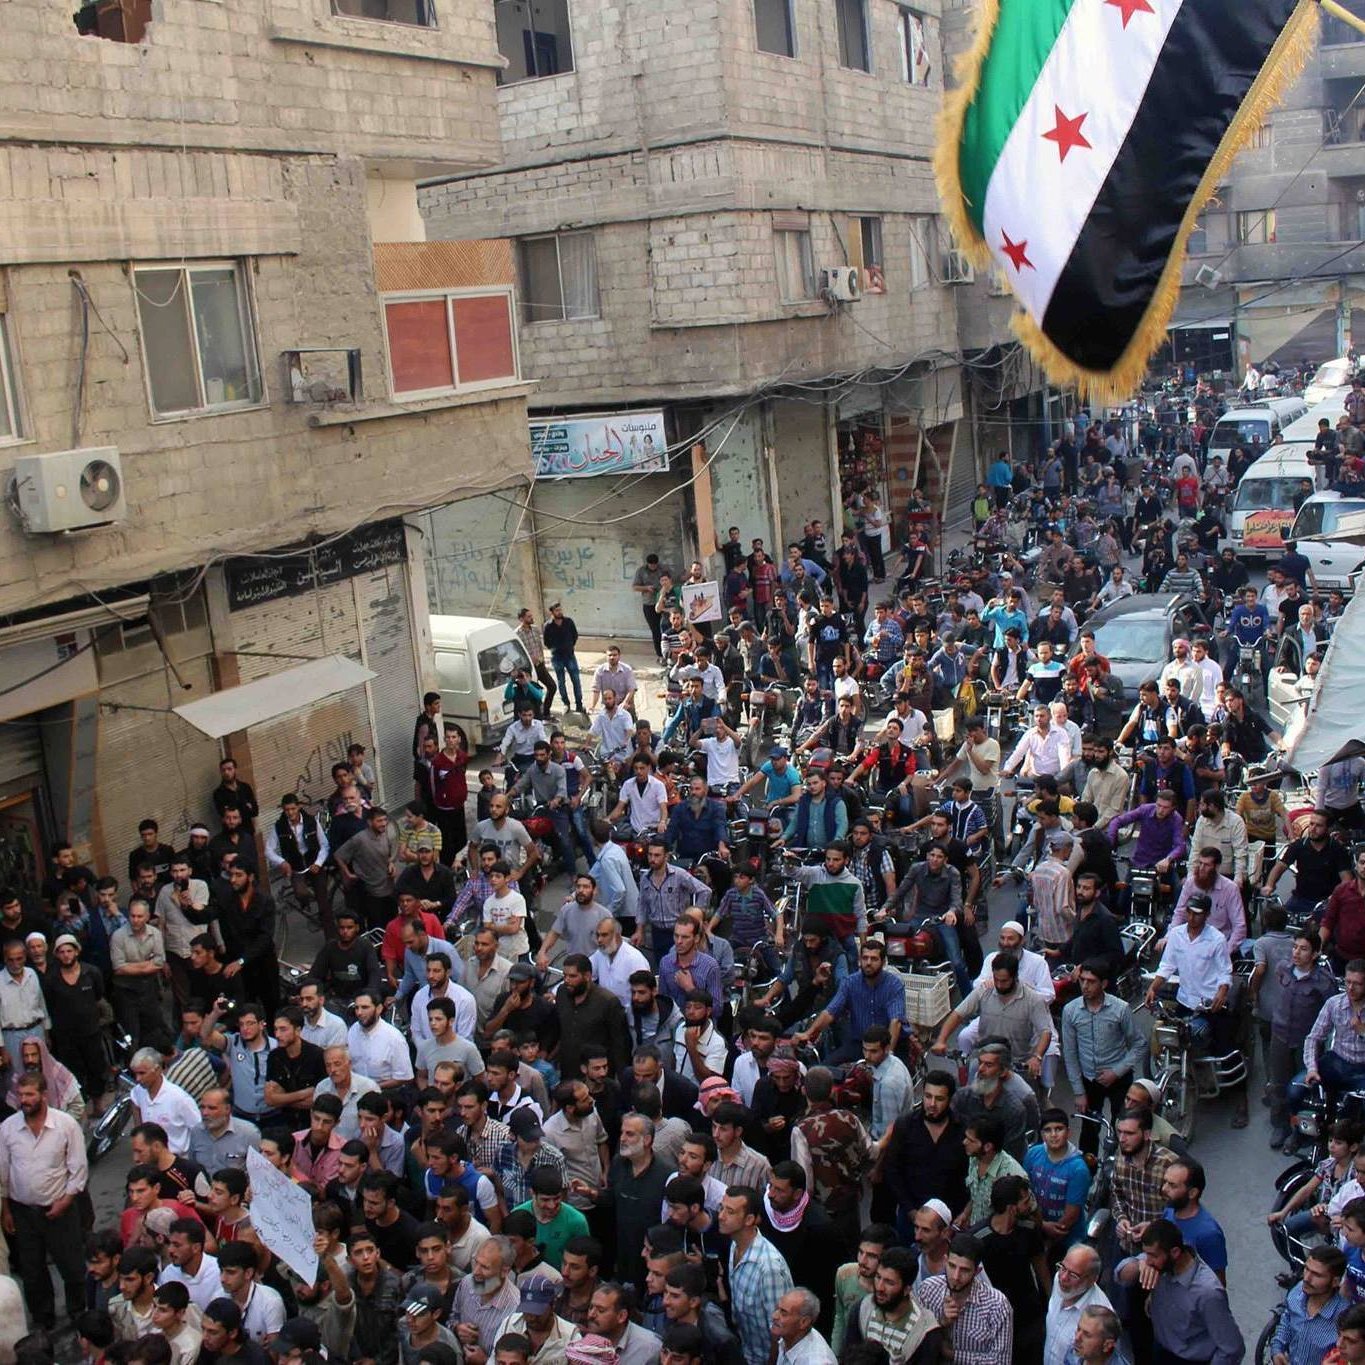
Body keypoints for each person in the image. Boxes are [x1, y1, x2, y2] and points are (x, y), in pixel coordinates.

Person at [1114, 1219, 1244, 1365]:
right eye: (1146, 1255)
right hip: (1160, 1349)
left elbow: (1232, 1348)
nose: (1148, 1261)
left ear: (1175, 1252)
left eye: (1153, 1256)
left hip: (1189, 1359)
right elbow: (1120, 1274)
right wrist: (1139, 1264)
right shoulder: (1160, 1263)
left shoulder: (1208, 1292)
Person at [1062, 962, 1146, 1154]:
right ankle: (1088, 1175)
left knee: (1123, 1127)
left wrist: (1116, 1072)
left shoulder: (1120, 1009)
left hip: (1119, 1079)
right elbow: (1070, 1052)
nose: (1084, 986)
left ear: (1104, 984)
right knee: (1089, 1131)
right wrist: (1078, 1091)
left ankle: (1120, 1168)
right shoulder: (1070, 1010)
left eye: (1091, 982)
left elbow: (1139, 1044)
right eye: (1082, 980)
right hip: (1089, 1080)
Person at [914, 1232, 1014, 1365]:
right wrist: (941, 1323)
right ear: (945, 1261)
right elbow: (914, 1343)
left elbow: (1000, 1361)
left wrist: (954, 1355)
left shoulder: (997, 1305)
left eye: (965, 1270)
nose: (956, 1276)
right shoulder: (928, 1290)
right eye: (952, 1266)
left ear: (977, 1271)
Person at [1272, 1248, 1351, 1365]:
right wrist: (1277, 1350)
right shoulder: (1297, 1292)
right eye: (1306, 1269)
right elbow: (1286, 1322)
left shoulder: (1344, 1318)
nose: (1306, 1278)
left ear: (1335, 1282)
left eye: (1316, 1275)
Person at [1045, 1244, 1112, 1365]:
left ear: (1092, 1280)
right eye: (1063, 1267)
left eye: (1073, 1275)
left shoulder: (1101, 1317)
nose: (1063, 1277)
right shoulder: (1060, 1280)